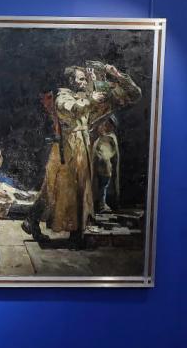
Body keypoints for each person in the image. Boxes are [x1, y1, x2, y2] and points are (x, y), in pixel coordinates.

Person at [23, 62, 141, 245]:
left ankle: (74, 232)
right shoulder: (62, 96)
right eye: (81, 79)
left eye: (86, 79)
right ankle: (45, 223)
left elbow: (134, 94)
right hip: (66, 149)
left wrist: (115, 73)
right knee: (58, 188)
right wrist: (91, 100)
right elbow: (72, 108)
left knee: (79, 188)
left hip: (81, 147)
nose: (85, 82)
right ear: (70, 81)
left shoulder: (87, 96)